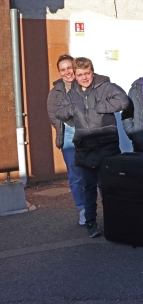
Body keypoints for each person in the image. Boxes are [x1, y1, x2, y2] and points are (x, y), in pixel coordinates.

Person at [56, 57, 129, 238]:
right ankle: (91, 222)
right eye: (80, 74)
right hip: (85, 147)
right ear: (75, 75)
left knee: (108, 187)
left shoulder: (105, 86)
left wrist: (99, 107)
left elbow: (124, 101)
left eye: (87, 73)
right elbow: (59, 112)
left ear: (92, 72)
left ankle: (114, 221)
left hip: (106, 146)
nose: (84, 77)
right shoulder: (71, 93)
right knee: (88, 188)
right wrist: (73, 110)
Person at [47, 55, 86, 226]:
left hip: (87, 132)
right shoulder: (55, 91)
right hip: (69, 133)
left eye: (69, 68)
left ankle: (103, 206)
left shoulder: (85, 84)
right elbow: (52, 116)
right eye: (63, 69)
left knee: (94, 171)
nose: (67, 72)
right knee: (75, 175)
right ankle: (82, 209)